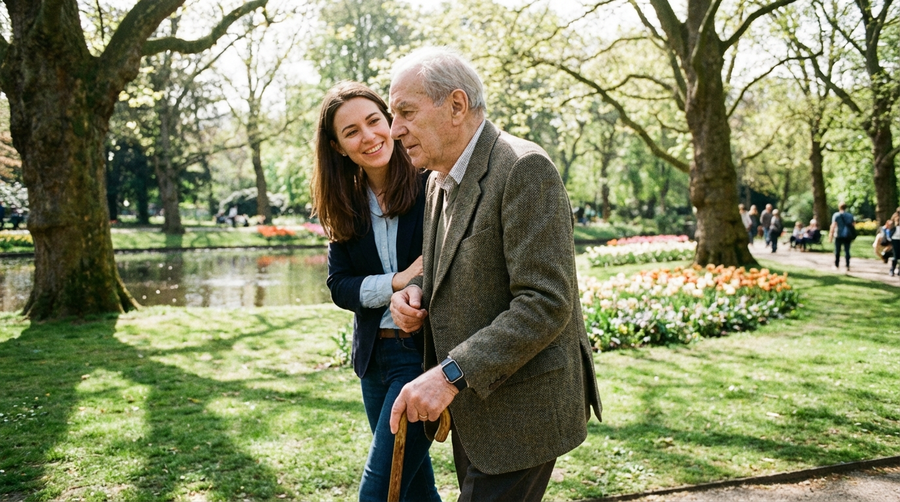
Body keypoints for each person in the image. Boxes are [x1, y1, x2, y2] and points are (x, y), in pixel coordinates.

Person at [387, 47, 602, 502]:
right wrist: (416, 291)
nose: (394, 129)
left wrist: (448, 375)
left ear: (456, 106)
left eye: (406, 112)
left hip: (522, 411)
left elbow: (545, 303)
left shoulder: (524, 168)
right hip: (475, 407)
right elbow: (447, 264)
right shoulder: (437, 179)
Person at [310, 81, 440, 502]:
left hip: (419, 356)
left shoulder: (430, 185)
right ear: (337, 147)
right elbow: (339, 286)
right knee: (414, 489)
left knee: (379, 491)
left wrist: (413, 286)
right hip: (372, 361)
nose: (368, 136)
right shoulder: (343, 200)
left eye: (373, 121)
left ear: (389, 120)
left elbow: (445, 264)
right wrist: (396, 281)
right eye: (352, 132)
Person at [829, 202, 854, 271]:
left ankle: (836, 265)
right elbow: (853, 225)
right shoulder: (850, 215)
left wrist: (831, 235)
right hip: (847, 235)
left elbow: (833, 225)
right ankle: (847, 265)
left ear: (839, 207)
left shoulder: (836, 215)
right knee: (847, 250)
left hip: (838, 235)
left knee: (837, 250)